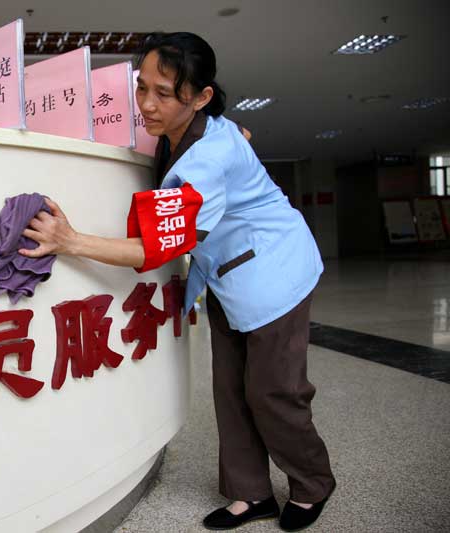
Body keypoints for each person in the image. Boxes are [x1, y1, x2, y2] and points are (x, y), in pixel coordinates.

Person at [19, 32, 336, 531]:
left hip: (274, 273)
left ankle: (314, 483)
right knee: (230, 391)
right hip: (230, 275)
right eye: (141, 87)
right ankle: (252, 494)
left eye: (163, 94)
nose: (146, 104)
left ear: (201, 97)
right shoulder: (186, 130)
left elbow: (157, 248)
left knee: (273, 392)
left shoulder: (208, 158)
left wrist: (70, 240)